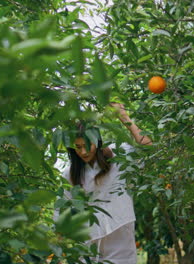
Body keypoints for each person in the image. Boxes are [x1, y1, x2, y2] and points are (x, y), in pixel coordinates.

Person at [60, 102, 151, 264]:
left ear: (97, 141)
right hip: (87, 245)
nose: (83, 152)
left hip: (120, 240)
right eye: (78, 147)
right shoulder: (70, 174)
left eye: (88, 145)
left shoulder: (118, 156)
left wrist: (124, 117)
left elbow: (148, 147)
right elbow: (63, 213)